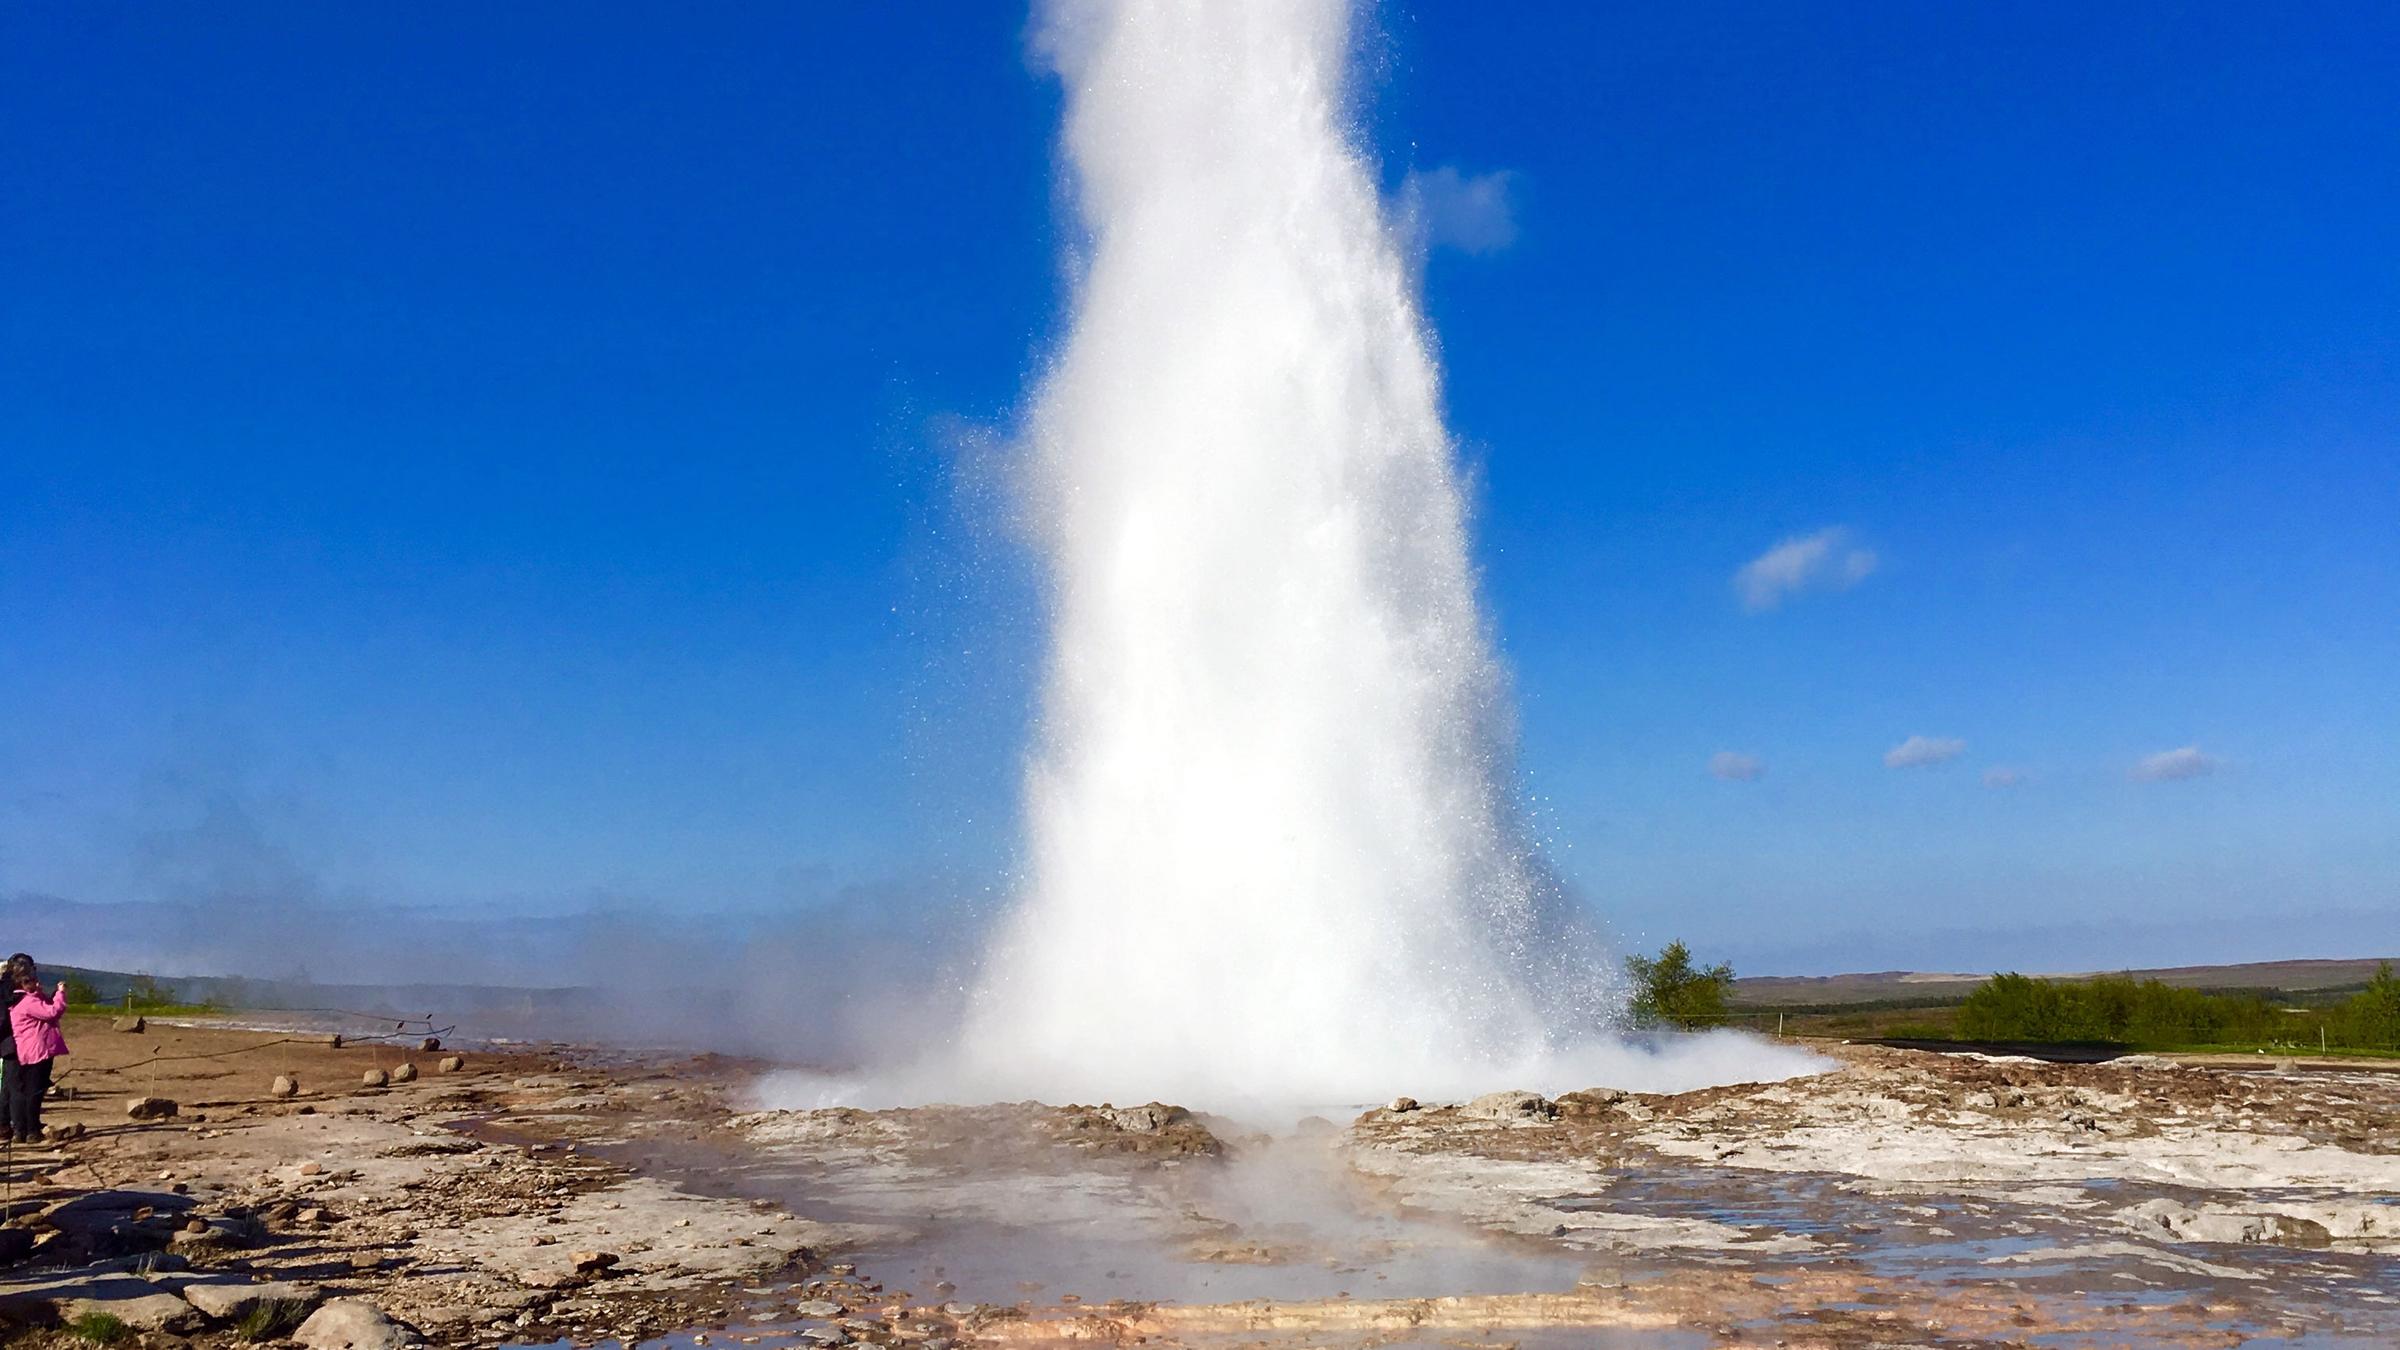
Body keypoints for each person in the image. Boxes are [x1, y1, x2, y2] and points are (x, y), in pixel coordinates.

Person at [7, 957, 68, 1143]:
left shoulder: (20, 1001)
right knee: (34, 1092)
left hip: (28, 1050)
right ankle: (32, 1130)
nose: (36, 982)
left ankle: (21, 1129)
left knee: (24, 1091)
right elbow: (52, 1012)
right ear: (24, 983)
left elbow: (42, 1007)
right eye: (32, 980)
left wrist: (39, 993)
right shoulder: (27, 1002)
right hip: (38, 1051)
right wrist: (60, 994)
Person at [0, 957, 22, 1145]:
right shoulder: (8, 988)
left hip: (9, 1042)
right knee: (11, 1084)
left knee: (9, 1084)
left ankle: (6, 1124)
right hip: (9, 1043)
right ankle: (11, 1125)